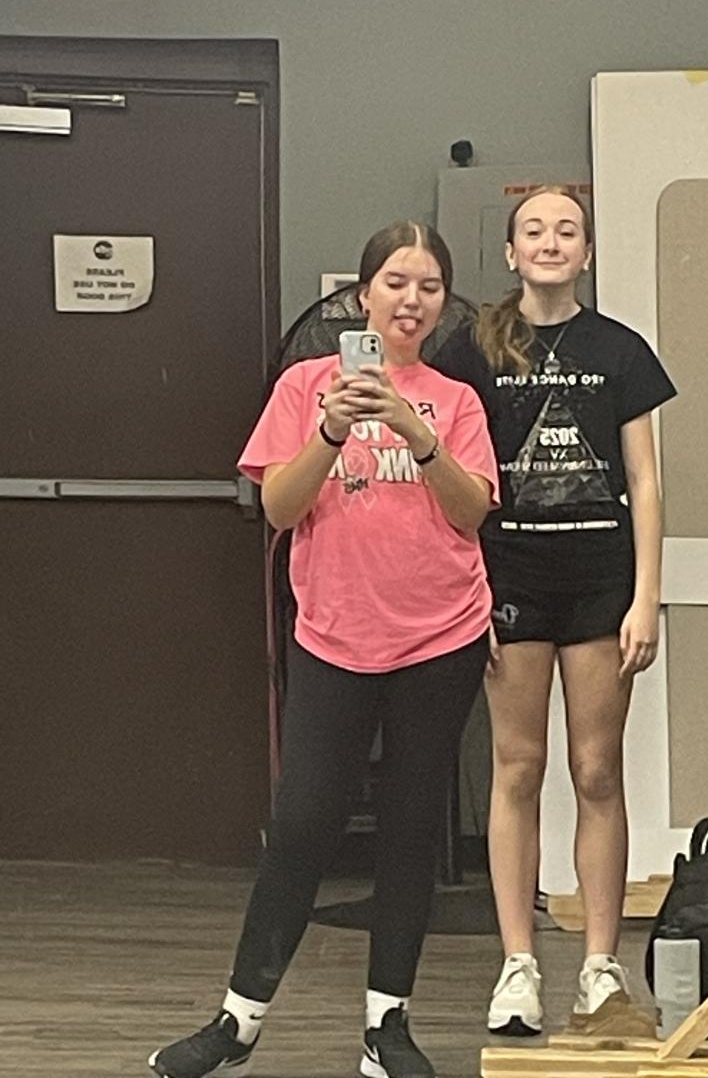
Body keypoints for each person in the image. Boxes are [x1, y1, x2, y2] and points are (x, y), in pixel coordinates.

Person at [149, 222, 499, 1078]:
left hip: (441, 636)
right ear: (363, 295)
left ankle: (388, 1025)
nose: (411, 301)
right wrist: (333, 432)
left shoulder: (456, 400)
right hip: (335, 637)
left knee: (412, 828)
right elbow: (279, 509)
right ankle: (237, 1022)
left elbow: (471, 513)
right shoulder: (306, 386)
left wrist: (417, 434)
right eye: (396, 283)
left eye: (429, 288)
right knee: (304, 822)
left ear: (444, 304)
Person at [433, 186, 676, 1035]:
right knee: (518, 767)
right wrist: (467, 593)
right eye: (533, 230)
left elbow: (644, 480)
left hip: (602, 585)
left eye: (566, 230)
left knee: (597, 771)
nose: (550, 242)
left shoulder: (621, 351)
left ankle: (601, 968)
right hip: (510, 581)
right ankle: (519, 965)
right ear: (510, 252)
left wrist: (646, 596)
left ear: (586, 252)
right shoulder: (473, 349)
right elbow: (452, 477)